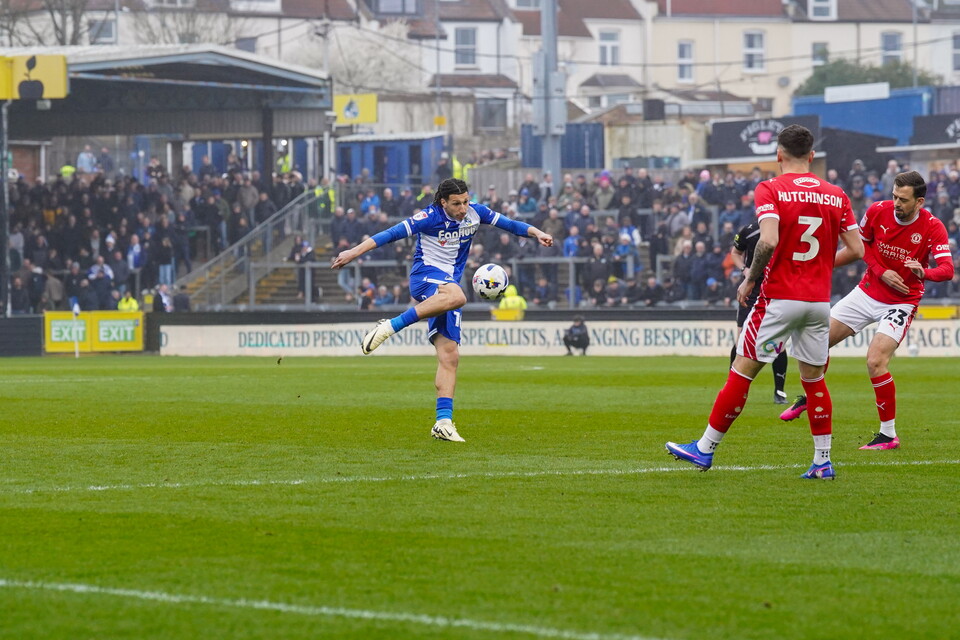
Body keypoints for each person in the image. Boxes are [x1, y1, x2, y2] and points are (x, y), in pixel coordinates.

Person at [665, 124, 864, 480]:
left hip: (779, 298)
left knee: (742, 371)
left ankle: (705, 448)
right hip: (818, 303)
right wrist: (818, 266)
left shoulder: (770, 188)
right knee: (814, 380)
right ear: (812, 155)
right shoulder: (837, 194)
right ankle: (822, 462)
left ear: (778, 154)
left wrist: (749, 278)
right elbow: (858, 249)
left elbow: (768, 240)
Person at [331, 178, 553, 442]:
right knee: (458, 296)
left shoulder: (476, 213)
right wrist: (353, 252)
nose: (463, 208)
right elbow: (390, 234)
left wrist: (537, 233)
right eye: (456, 204)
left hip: (448, 288)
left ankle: (443, 422)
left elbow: (512, 225)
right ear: (443, 202)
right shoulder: (429, 216)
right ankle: (390, 326)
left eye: (466, 202)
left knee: (450, 356)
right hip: (425, 276)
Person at [779, 171, 955, 449]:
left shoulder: (933, 227)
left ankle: (888, 435)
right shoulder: (877, 211)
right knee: (817, 342)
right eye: (894, 196)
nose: (896, 203)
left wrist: (924, 272)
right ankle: (811, 396)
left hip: (902, 301)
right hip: (866, 292)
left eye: (903, 199)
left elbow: (947, 270)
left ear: (919, 202)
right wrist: (882, 271)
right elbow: (862, 247)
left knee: (875, 362)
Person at [730, 220, 789, 404]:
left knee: (778, 343)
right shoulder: (749, 230)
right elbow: (735, 253)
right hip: (751, 291)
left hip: (776, 290)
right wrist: (745, 270)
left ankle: (779, 391)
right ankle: (731, 388)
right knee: (740, 340)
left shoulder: (785, 228)